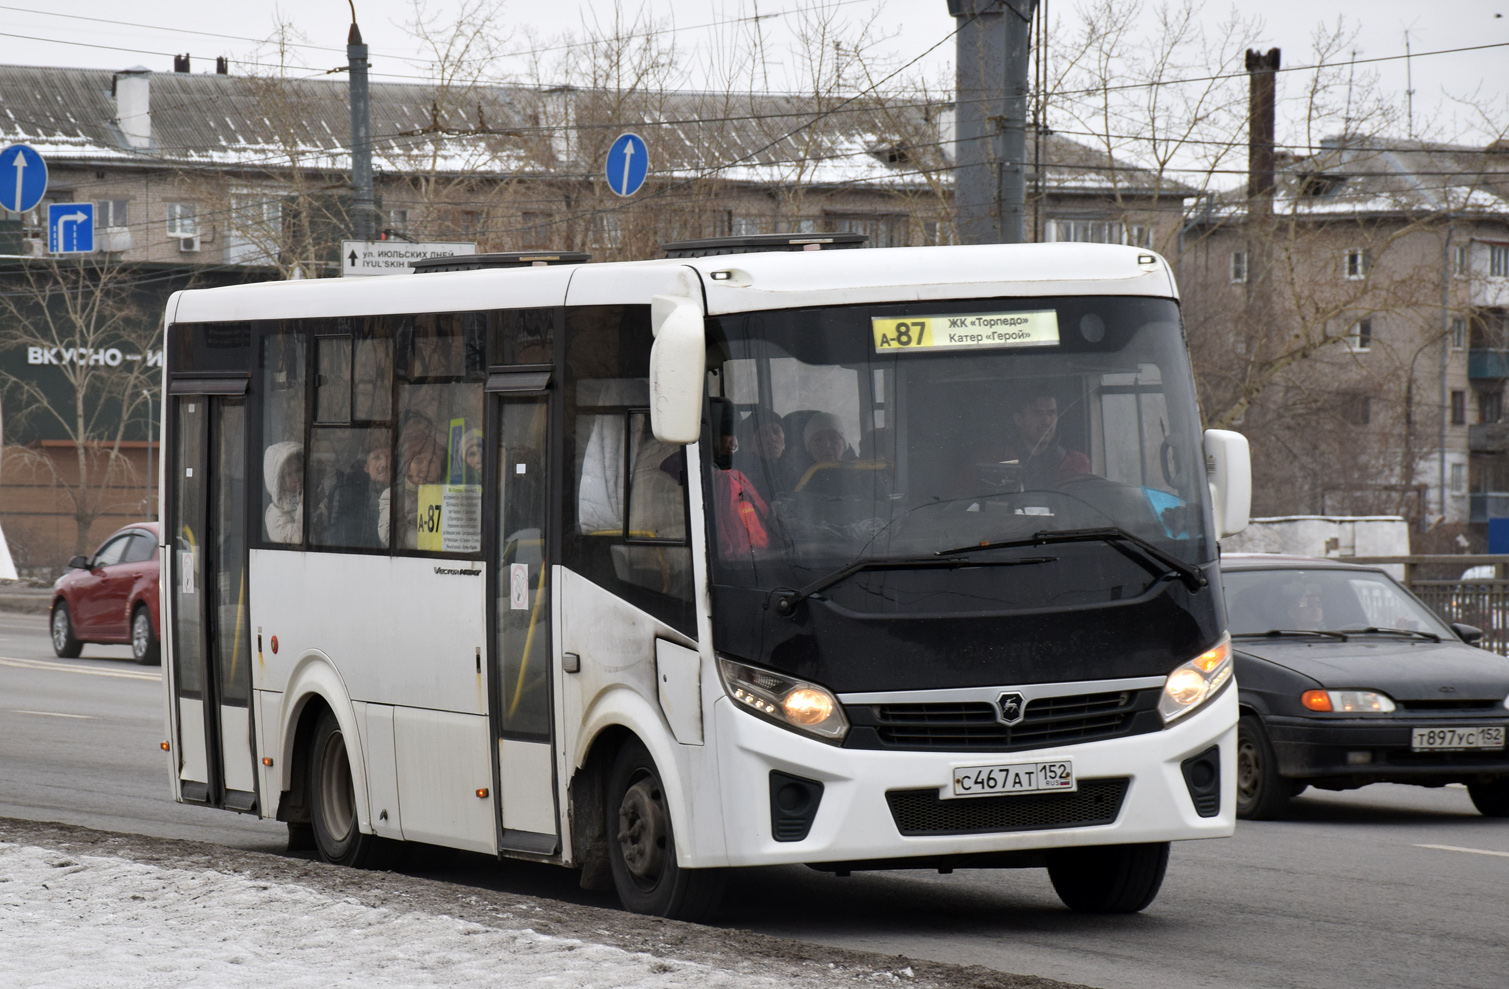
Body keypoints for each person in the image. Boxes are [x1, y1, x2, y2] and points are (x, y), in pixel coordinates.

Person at [263, 440, 304, 543]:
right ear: (277, 481)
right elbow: (297, 540)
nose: (296, 478)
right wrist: (304, 506)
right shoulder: (274, 514)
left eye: (299, 470)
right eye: (287, 475)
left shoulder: (316, 494)